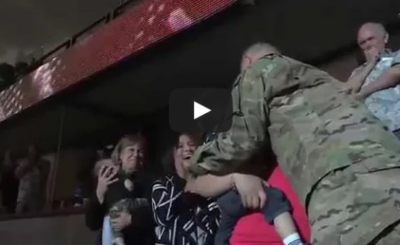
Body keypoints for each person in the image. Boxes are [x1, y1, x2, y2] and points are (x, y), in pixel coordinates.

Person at [188, 42, 400, 245]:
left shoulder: (257, 73)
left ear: (248, 61)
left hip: (353, 206)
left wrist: (196, 162)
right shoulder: (324, 80)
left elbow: (241, 143)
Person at [151, 133, 220, 245]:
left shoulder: (211, 182)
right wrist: (187, 180)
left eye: (191, 144)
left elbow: (216, 222)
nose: (187, 149)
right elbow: (162, 215)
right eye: (180, 146)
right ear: (174, 153)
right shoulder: (163, 183)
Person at [85, 134, 155, 245]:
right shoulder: (109, 179)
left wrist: (131, 219)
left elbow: (156, 214)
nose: (136, 155)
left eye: (140, 151)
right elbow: (92, 224)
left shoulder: (150, 182)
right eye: (131, 150)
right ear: (120, 155)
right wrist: (99, 193)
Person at [346, 22, 400, 139]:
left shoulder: (396, 56)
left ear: (385, 38)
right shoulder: (358, 72)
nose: (367, 45)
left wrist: (363, 93)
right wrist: (371, 63)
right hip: (377, 134)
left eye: (370, 39)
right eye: (363, 43)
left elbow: (395, 73)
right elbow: (348, 91)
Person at [15, 145, 50, 214]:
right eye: (30, 153)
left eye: (34, 152)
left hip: (37, 197)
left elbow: (44, 175)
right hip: (23, 197)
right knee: (19, 213)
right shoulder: (24, 164)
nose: (33, 155)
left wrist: (36, 166)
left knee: (34, 217)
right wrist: (27, 166)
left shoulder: (45, 163)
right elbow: (16, 174)